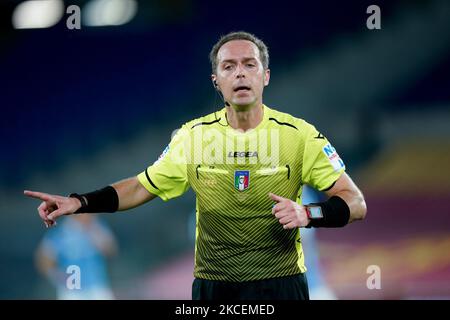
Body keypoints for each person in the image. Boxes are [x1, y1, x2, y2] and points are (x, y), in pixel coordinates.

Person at [24, 31, 367, 300]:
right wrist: (81, 202)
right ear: (216, 81)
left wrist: (310, 214)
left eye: (250, 64)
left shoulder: (301, 136)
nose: (240, 73)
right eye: (228, 66)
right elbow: (141, 186)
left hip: (281, 286)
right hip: (214, 289)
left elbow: (355, 203)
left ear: (266, 76)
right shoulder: (192, 137)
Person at [35, 214, 117, 299]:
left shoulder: (99, 228)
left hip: (98, 286)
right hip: (72, 291)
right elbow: (43, 260)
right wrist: (58, 277)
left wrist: (95, 232)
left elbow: (111, 251)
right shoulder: (61, 233)